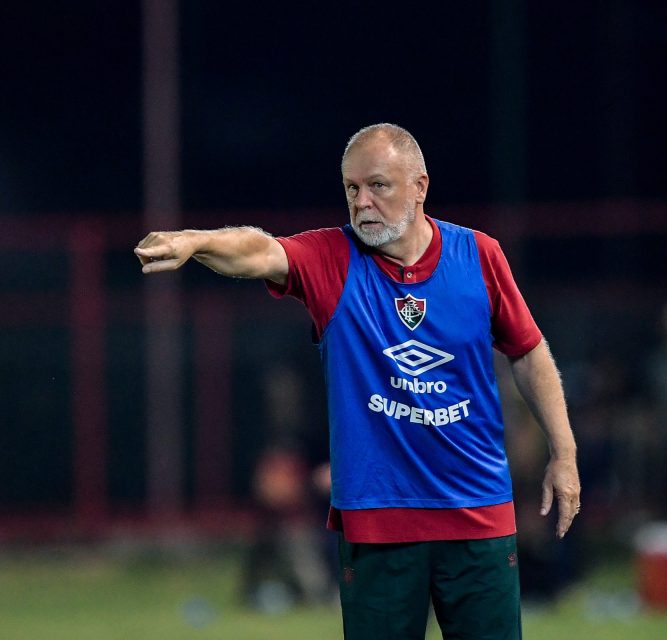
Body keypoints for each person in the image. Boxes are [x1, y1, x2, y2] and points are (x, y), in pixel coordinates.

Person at [134, 123, 581, 639]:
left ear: (420, 187)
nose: (362, 202)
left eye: (378, 186)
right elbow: (260, 251)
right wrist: (196, 241)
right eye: (351, 189)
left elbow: (528, 351)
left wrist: (563, 453)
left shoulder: (478, 255)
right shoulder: (332, 259)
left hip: (477, 511)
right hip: (378, 521)